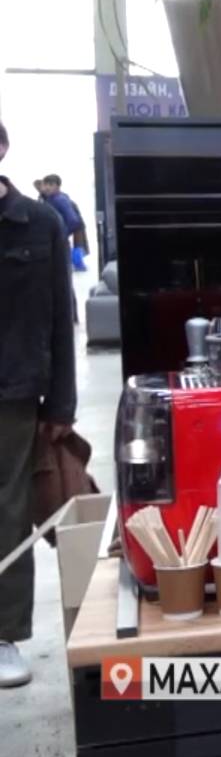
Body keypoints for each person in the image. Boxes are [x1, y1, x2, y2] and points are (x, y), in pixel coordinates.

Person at [0, 124, 77, 689]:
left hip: (14, 390)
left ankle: (3, 634)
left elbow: (59, 315)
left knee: (8, 511)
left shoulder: (39, 222)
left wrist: (63, 403)